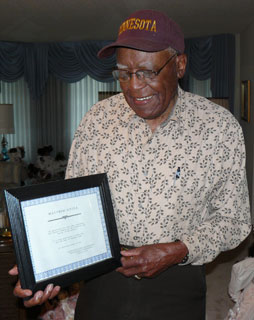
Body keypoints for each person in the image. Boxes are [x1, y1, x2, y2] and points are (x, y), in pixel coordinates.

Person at [9, 9, 251, 320]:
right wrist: (44, 270)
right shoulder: (97, 120)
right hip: (104, 276)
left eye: (148, 72)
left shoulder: (219, 128)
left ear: (180, 65)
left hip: (178, 278)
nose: (134, 87)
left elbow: (235, 220)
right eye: (124, 73)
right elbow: (70, 208)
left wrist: (177, 250)